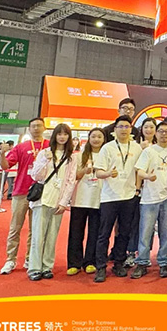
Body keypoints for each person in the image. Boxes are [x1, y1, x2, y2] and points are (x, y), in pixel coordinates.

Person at [93, 115, 143, 282]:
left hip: (129, 196)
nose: (124, 129)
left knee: (124, 233)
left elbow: (139, 170)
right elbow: (98, 172)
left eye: (127, 127)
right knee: (104, 233)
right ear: (115, 130)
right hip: (109, 197)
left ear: (131, 129)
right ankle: (101, 267)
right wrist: (108, 173)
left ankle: (119, 263)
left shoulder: (136, 148)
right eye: (120, 126)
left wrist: (137, 189)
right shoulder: (107, 148)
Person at [27, 123, 78, 281]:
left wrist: (64, 202)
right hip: (42, 199)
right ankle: (34, 268)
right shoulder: (45, 153)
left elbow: (71, 181)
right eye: (59, 134)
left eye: (65, 134)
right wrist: (45, 161)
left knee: (51, 236)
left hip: (58, 201)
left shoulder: (71, 157)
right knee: (38, 235)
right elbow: (35, 175)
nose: (62, 137)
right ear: (54, 136)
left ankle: (47, 266)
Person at [0, 118, 49, 274]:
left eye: (39, 126)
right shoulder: (21, 147)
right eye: (33, 126)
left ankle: (30, 258)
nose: (36, 128)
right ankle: (10, 259)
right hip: (21, 192)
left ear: (44, 128)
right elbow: (6, 166)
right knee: (15, 228)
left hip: (41, 193)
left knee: (36, 229)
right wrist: (2, 153)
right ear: (29, 129)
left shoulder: (49, 146)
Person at [131, 121, 167, 279]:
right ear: (156, 134)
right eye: (161, 131)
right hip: (149, 198)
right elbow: (139, 171)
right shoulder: (148, 151)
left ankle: (163, 262)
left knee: (166, 232)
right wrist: (148, 176)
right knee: (145, 232)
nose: (164, 134)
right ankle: (142, 262)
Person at [67, 128, 104, 276]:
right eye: (93, 136)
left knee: (95, 232)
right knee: (76, 232)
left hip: (98, 199)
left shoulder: (106, 154)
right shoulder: (79, 156)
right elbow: (73, 176)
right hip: (80, 199)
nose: (96, 139)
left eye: (99, 137)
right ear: (88, 138)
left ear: (104, 139)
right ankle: (74, 263)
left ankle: (90, 262)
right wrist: (84, 171)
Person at [125, 117, 158, 267]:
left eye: (152, 127)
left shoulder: (159, 147)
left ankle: (145, 254)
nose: (149, 130)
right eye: (146, 127)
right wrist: (137, 188)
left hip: (154, 190)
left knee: (149, 225)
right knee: (135, 223)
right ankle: (131, 252)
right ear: (141, 129)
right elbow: (137, 170)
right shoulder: (135, 146)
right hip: (136, 190)